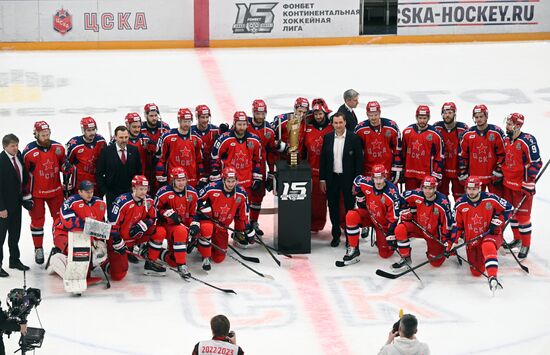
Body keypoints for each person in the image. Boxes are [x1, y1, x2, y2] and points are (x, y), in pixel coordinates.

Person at [452, 176, 513, 293]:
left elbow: (509, 208)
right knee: (476, 272)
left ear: (479, 188)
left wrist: (499, 220)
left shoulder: (490, 198)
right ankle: (490, 253)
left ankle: (492, 276)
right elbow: (457, 226)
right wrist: (453, 242)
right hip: (472, 239)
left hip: (490, 234)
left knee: (487, 244)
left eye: (474, 189)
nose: (471, 192)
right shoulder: (460, 204)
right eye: (469, 189)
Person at [23, 121, 68, 264]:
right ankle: (38, 248)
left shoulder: (58, 148)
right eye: (43, 135)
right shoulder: (29, 152)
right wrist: (25, 195)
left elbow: (63, 167)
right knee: (37, 222)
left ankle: (59, 247)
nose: (46, 137)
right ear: (36, 134)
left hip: (56, 192)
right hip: (37, 194)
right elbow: (24, 176)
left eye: (48, 134)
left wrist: (67, 167)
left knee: (60, 221)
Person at [47, 180, 108, 286]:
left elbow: (101, 226)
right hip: (63, 233)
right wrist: (90, 226)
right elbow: (70, 223)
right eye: (86, 191)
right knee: (79, 252)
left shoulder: (100, 204)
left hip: (84, 235)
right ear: (79, 192)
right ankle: (56, 260)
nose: (90, 194)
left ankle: (75, 268)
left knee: (98, 249)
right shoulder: (70, 202)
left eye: (91, 191)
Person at [106, 175, 166, 280]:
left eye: (145, 189)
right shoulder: (122, 202)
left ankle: (150, 261)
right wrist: (117, 241)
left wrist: (144, 224)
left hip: (137, 237)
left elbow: (154, 218)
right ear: (134, 188)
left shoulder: (148, 201)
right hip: (121, 240)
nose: (144, 192)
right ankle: (105, 263)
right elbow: (111, 225)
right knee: (118, 275)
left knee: (159, 231)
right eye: (141, 189)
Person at [196, 167, 256, 267]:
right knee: (207, 229)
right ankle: (201, 244)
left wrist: (247, 228)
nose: (231, 184)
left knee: (219, 258)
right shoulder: (212, 187)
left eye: (233, 181)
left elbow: (243, 215)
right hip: (209, 221)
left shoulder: (241, 193)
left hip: (222, 226)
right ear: (223, 180)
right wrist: (202, 206)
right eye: (228, 181)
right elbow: (196, 198)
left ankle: (209, 245)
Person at [501, 113, 542, 259]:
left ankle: (525, 244)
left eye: (510, 124)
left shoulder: (527, 140)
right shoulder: (506, 139)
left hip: (521, 187)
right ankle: (517, 239)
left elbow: (536, 163)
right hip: (508, 184)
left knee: (523, 217)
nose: (507, 126)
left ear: (518, 125)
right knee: (512, 213)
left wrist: (529, 182)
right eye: (507, 123)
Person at [340, 165, 400, 264]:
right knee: (351, 215)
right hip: (369, 215)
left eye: (381, 178)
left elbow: (394, 217)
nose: (379, 181)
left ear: (385, 177)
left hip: (382, 224)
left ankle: (382, 241)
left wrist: (391, 234)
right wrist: (359, 195)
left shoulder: (392, 193)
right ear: (372, 178)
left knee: (385, 254)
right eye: (376, 178)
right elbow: (357, 180)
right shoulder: (366, 182)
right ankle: (353, 248)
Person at [319, 112, 363, 247]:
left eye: (340, 123)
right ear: (332, 124)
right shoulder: (327, 138)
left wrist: (357, 183)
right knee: (333, 207)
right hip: (332, 178)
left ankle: (351, 237)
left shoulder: (354, 138)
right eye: (336, 123)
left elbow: (359, 163)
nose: (338, 125)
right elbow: (323, 160)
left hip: (348, 179)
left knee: (350, 209)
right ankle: (336, 235)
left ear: (345, 123)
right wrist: (322, 179)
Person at [393, 176, 453, 269]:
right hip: (418, 227)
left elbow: (448, 224)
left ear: (435, 188)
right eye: (425, 188)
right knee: (400, 229)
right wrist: (408, 210)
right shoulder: (416, 194)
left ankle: (433, 252)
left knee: (435, 263)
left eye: (430, 188)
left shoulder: (443, 202)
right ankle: (405, 258)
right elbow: (399, 197)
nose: (427, 191)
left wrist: (447, 242)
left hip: (433, 234)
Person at [152, 167, 199, 278]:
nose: (181, 183)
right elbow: (154, 211)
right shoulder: (163, 192)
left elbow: (194, 213)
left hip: (183, 223)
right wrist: (166, 213)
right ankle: (181, 264)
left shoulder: (192, 192)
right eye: (178, 180)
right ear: (173, 180)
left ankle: (159, 253)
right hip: (167, 224)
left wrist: (194, 225)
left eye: (183, 180)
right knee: (181, 231)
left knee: (172, 260)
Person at [210, 111, 262, 206]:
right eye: (239, 124)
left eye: (244, 124)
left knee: (244, 209)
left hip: (246, 182)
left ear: (247, 124)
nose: (241, 127)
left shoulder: (254, 140)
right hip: (228, 182)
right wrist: (216, 173)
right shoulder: (224, 139)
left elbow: (257, 160)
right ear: (234, 124)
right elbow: (214, 156)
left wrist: (257, 178)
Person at [246, 99, 282, 236]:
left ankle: (253, 222)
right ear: (253, 112)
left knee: (257, 196)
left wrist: (271, 173)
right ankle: (242, 226)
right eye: (258, 113)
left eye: (263, 113)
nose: (260, 116)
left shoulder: (269, 130)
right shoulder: (244, 124)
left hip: (259, 168)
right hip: (243, 167)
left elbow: (271, 153)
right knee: (243, 197)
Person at [0, 134, 32, 277]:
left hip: (17, 204)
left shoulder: (18, 156)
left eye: (17, 145)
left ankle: (14, 260)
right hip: (4, 207)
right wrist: (1, 208)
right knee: (1, 237)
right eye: (12, 146)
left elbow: (22, 177)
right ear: (5, 146)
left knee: (15, 234)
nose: (16, 148)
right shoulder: (1, 161)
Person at [458, 104, 506, 196]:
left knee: (496, 203)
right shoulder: (468, 134)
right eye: (476, 117)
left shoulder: (496, 132)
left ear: (486, 116)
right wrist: (463, 171)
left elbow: (503, 154)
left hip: (493, 177)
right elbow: (462, 156)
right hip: (474, 177)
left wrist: (499, 170)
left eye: (481, 116)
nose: (479, 119)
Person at [302, 100, 333, 232]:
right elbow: (302, 150)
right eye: (316, 114)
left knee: (336, 201)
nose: (318, 116)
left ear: (325, 113)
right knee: (316, 201)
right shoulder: (307, 129)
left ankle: (342, 225)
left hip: (332, 171)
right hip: (313, 171)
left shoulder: (332, 127)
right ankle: (315, 224)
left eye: (320, 113)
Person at [95, 125, 142, 212]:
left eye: (126, 137)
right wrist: (105, 191)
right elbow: (99, 173)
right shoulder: (106, 151)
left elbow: (138, 171)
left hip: (130, 193)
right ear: (115, 137)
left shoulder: (134, 150)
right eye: (121, 137)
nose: (124, 140)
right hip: (113, 194)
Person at [156, 108, 205, 188]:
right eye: (185, 121)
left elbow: (199, 161)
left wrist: (201, 177)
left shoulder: (197, 138)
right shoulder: (167, 137)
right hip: (173, 179)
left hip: (191, 178)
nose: (187, 124)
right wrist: (161, 177)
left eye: (189, 121)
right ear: (179, 120)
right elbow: (161, 159)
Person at [354, 101, 402, 181]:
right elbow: (357, 151)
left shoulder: (391, 127)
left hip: (387, 169)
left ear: (380, 113)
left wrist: (396, 168)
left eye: (376, 114)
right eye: (370, 115)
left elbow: (398, 149)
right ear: (367, 114)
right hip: (368, 170)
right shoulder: (360, 129)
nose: (373, 118)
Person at [401, 105, 444, 190]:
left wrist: (436, 174)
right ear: (416, 117)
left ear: (428, 118)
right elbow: (403, 153)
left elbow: (440, 157)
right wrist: (401, 169)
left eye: (424, 118)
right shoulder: (407, 132)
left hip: (427, 176)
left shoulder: (435, 135)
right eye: (420, 118)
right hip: (410, 174)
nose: (422, 120)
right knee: (410, 200)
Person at [433, 102, 469, 201]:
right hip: (441, 171)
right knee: (441, 197)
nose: (447, 115)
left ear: (454, 113)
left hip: (458, 172)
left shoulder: (463, 128)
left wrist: (465, 169)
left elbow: (467, 150)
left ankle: (459, 216)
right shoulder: (436, 127)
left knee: (460, 198)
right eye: (445, 112)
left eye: (450, 112)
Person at [65, 116, 107, 197]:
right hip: (80, 184)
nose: (92, 133)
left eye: (93, 130)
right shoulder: (74, 144)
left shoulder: (101, 141)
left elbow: (106, 161)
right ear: (83, 130)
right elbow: (66, 166)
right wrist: (66, 184)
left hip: (97, 181)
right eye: (89, 130)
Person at [140, 103, 170, 195]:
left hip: (160, 167)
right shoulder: (140, 127)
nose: (154, 118)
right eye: (151, 116)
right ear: (145, 115)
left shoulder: (165, 127)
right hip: (145, 166)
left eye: (156, 115)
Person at [192, 104, 222, 182]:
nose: (205, 120)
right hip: (196, 170)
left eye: (207, 117)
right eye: (202, 117)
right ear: (197, 117)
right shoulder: (190, 132)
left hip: (213, 170)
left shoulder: (216, 130)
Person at [125, 112, 157, 179]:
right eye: (134, 127)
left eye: (139, 127)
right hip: (124, 179)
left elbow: (157, 154)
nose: (137, 130)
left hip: (142, 178)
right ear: (127, 125)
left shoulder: (146, 139)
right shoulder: (119, 139)